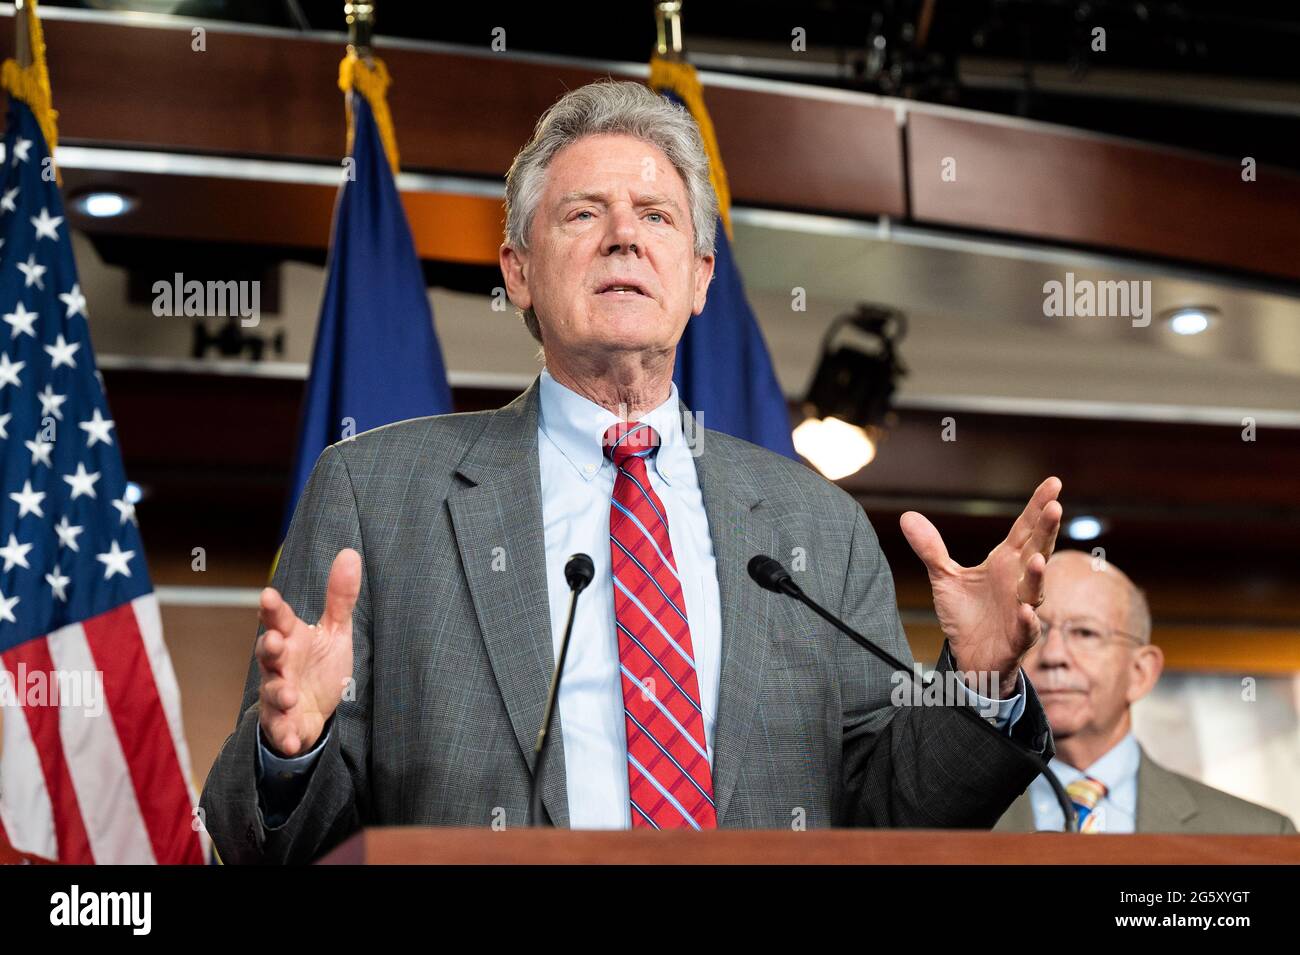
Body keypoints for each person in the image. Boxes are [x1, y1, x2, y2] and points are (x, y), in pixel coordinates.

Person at [200, 80, 1064, 864]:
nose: (623, 235)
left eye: (656, 215)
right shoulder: (375, 493)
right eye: (583, 214)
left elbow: (888, 817)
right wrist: (290, 753)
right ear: (519, 273)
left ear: (699, 278)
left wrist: (976, 680)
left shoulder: (815, 525)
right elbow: (264, 846)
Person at [996, 550, 1295, 834]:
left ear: (1141, 672)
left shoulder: (1258, 835)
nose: (1053, 655)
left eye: (1085, 632)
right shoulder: (956, 821)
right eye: (1035, 632)